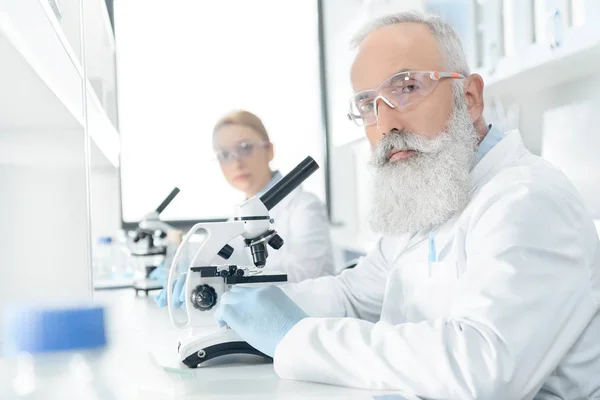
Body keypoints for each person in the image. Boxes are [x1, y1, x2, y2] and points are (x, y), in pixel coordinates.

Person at [211, 11, 600, 399]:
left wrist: (293, 337)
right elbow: (351, 297)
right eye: (368, 105)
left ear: (470, 97)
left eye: (407, 88)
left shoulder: (526, 199)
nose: (386, 125)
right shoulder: (433, 201)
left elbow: (481, 369)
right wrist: (230, 305)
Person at [155, 110, 334, 307]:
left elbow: (305, 274)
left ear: (269, 150)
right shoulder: (239, 215)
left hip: (308, 316)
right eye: (224, 154)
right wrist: (185, 272)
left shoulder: (304, 205)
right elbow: (224, 260)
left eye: (245, 148)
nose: (236, 162)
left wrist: (235, 284)